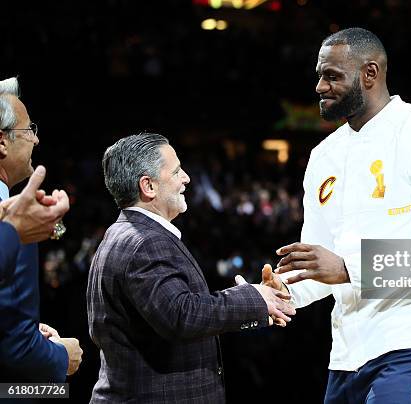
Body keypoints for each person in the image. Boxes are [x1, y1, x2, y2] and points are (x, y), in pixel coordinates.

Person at [264, 28, 411, 403]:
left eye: (332, 76)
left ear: (370, 73)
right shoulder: (322, 157)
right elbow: (319, 263)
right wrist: (284, 291)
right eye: (319, 75)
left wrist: (350, 269)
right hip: (348, 353)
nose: (319, 86)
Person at [87, 133, 295, 403]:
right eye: (176, 171)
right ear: (148, 186)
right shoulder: (144, 242)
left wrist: (258, 302)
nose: (186, 178)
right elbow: (180, 314)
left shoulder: (127, 234)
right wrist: (252, 299)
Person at [0, 77, 83, 382]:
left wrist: (25, 327)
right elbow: (18, 351)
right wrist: (62, 356)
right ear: (1, 142)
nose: (36, 140)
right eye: (28, 130)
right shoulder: (15, 220)